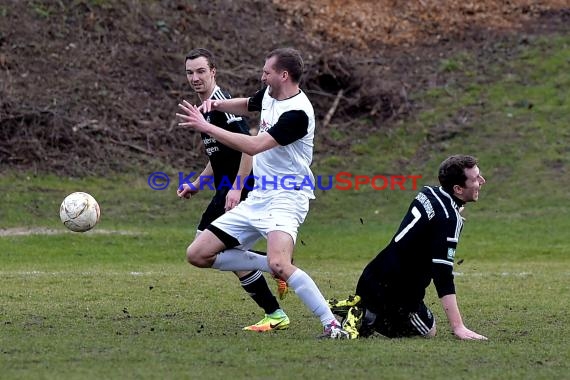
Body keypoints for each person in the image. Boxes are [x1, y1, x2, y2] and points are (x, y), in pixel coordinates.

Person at [176, 47, 349, 339]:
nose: (262, 75)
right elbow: (247, 104)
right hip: (259, 197)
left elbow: (253, 146)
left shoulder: (297, 113)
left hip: (287, 196)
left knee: (280, 262)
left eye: (267, 71)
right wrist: (215, 107)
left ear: (284, 75)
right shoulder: (270, 94)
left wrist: (206, 125)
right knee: (198, 253)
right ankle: (272, 268)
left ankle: (331, 324)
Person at [177, 48, 289, 332]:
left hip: (240, 189)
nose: (195, 78)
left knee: (203, 250)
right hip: (226, 189)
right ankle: (275, 310)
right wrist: (197, 183)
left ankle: (277, 266)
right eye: (190, 72)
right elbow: (218, 156)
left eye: (201, 71)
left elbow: (249, 145)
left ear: (213, 71)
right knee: (231, 255)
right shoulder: (205, 108)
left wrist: (236, 188)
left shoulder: (221, 106)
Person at [328, 154, 488, 340]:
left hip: (372, 276)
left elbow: (438, 214)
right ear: (458, 188)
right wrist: (458, 327)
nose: (482, 181)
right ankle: (367, 316)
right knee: (428, 331)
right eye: (476, 179)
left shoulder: (428, 193)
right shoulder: (448, 220)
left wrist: (453, 213)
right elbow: (443, 275)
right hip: (395, 295)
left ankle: (364, 306)